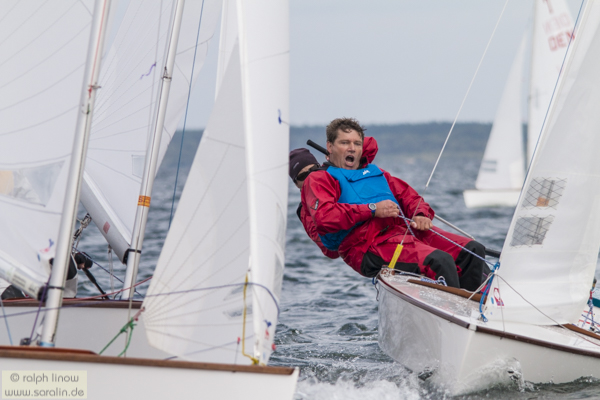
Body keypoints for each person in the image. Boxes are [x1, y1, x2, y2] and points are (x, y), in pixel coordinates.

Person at [300, 117, 488, 291]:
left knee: (473, 251)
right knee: (440, 262)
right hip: (366, 247)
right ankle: (453, 311)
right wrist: (373, 209)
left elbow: (408, 196)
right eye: (344, 143)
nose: (352, 148)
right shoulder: (320, 179)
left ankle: (476, 308)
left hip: (404, 232)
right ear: (330, 146)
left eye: (357, 143)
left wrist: (420, 214)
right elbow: (326, 217)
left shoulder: (376, 172)